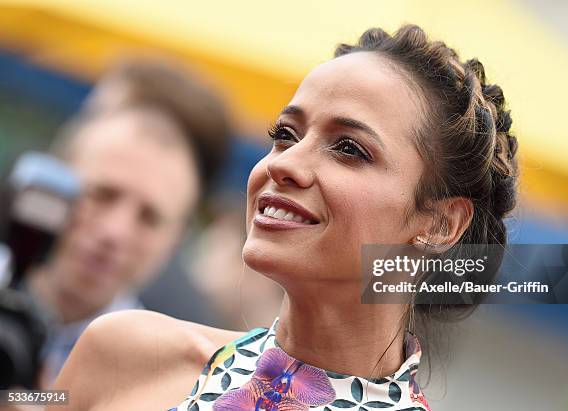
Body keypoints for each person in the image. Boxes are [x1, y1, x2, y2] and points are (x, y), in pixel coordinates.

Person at [48, 24, 519, 411]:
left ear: (440, 224)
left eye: (349, 149)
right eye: (286, 134)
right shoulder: (125, 349)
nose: (282, 164)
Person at [26, 59, 230, 385]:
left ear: (177, 238)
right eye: (102, 194)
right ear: (54, 179)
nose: (114, 232)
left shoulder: (174, 383)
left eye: (150, 218)